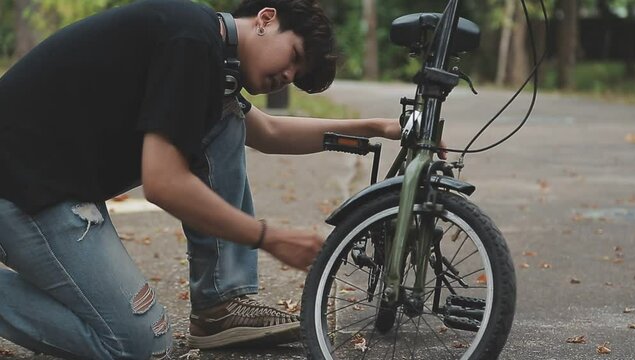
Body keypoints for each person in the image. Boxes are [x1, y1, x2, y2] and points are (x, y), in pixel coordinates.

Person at [0, 0, 405, 358]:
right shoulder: (190, 40)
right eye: (294, 55)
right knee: (140, 344)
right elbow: (163, 182)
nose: (288, 74)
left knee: (228, 119)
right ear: (266, 19)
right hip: (23, 191)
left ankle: (219, 308)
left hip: (51, 188)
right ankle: (219, 305)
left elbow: (270, 133)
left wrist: (375, 127)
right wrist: (268, 237)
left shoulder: (209, 53)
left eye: (297, 74)